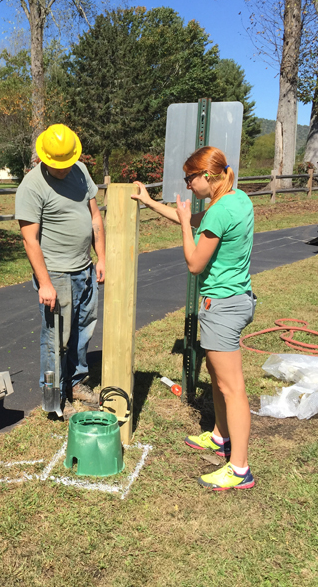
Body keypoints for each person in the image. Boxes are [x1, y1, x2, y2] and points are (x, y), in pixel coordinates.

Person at [132, 146, 256, 490]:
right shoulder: (237, 200)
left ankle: (240, 468)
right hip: (236, 301)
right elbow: (191, 217)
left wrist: (186, 224)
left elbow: (194, 263)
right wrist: (149, 202)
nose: (188, 185)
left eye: (190, 178)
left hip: (223, 307)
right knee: (218, 379)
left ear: (208, 175)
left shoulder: (218, 212)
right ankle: (219, 436)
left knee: (233, 389)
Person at [15, 124, 106, 419]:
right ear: (45, 159)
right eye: (59, 166)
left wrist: (101, 257)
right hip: (56, 274)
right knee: (56, 339)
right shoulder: (32, 186)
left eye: (68, 163)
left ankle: (76, 382)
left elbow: (94, 217)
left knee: (83, 329)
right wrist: (45, 283)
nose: (65, 169)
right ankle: (54, 398)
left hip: (85, 267)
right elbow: (30, 239)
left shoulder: (80, 170)